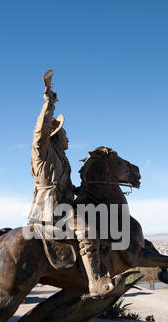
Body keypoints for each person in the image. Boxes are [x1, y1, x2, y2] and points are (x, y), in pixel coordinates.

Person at [28, 70, 116, 298]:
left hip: (66, 205)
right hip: (52, 210)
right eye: (65, 134)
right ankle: (95, 283)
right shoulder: (43, 152)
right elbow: (39, 132)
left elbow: (65, 185)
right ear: (56, 135)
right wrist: (49, 103)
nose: (68, 138)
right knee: (86, 230)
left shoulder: (61, 158)